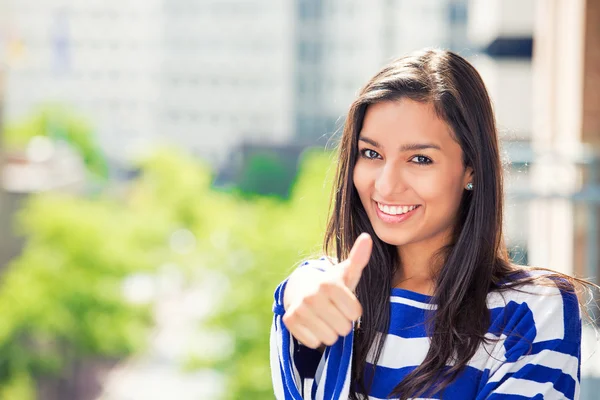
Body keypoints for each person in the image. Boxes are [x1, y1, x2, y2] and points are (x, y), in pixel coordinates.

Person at [270, 48, 593, 400]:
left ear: (471, 168)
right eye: (371, 154)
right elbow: (309, 285)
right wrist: (296, 295)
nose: (387, 184)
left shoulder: (531, 310)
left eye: (420, 159)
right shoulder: (323, 296)